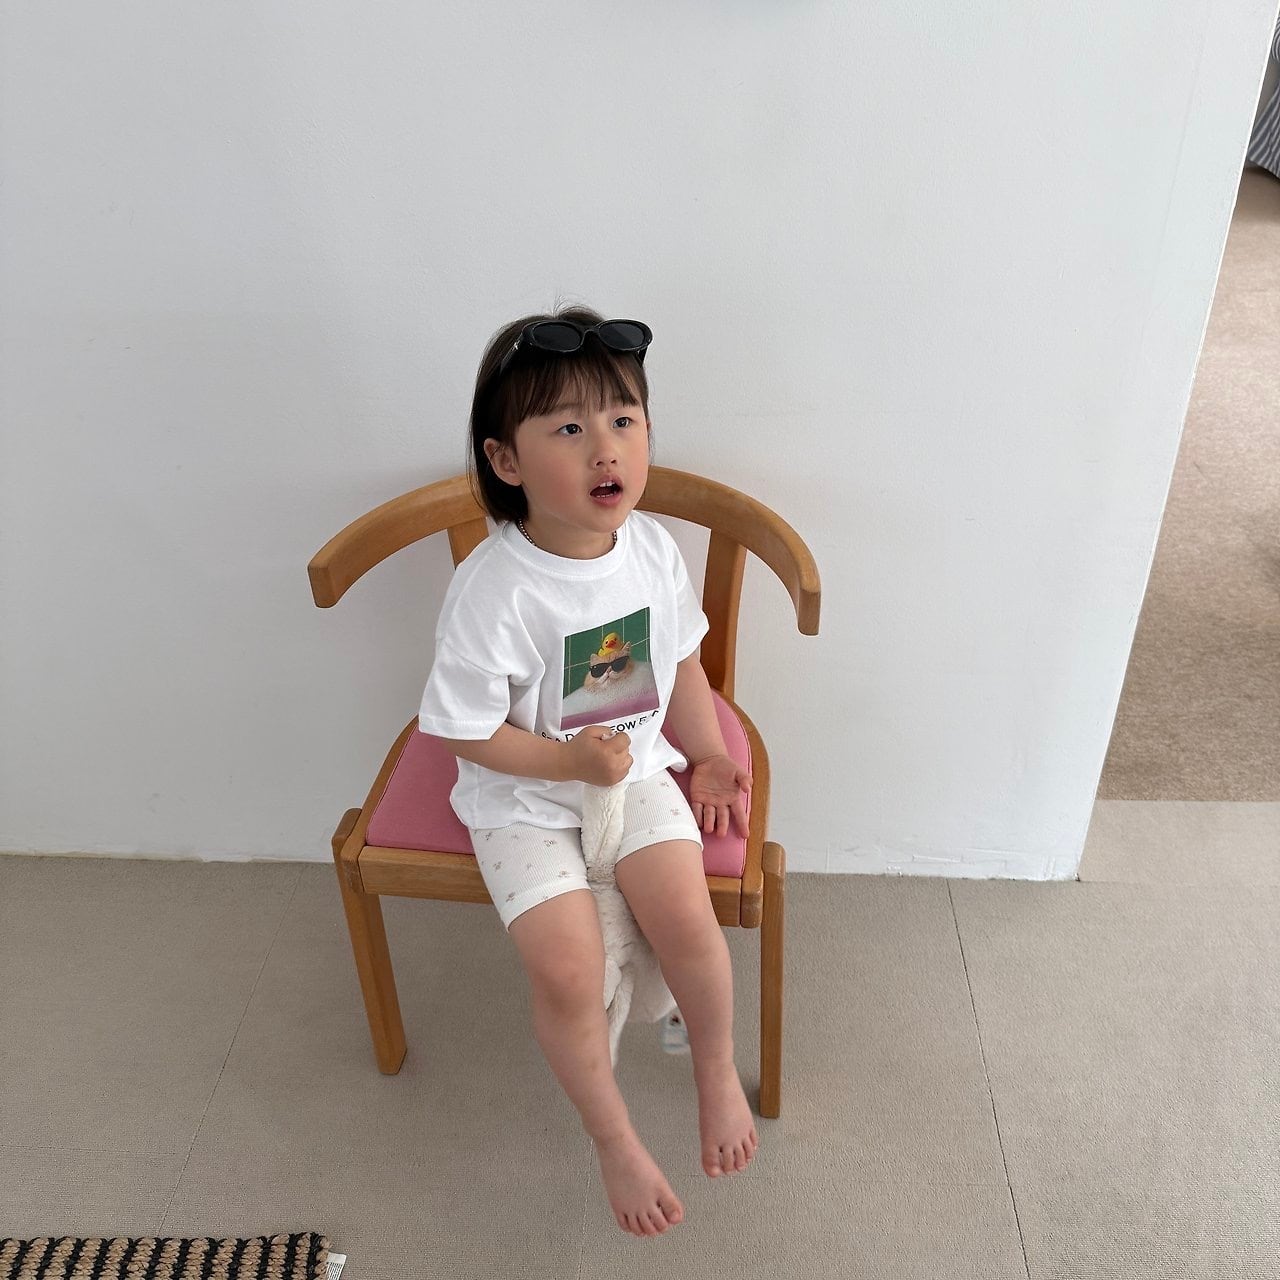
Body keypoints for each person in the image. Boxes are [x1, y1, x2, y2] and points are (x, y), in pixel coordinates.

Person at [418, 305, 758, 1237]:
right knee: (568, 972)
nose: (606, 447)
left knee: (687, 919)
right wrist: (565, 762)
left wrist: (708, 754)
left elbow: (680, 661)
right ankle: (613, 1139)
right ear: (507, 461)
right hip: (524, 796)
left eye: (623, 419)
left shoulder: (649, 549)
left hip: (635, 770)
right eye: (568, 429)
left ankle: (713, 1068)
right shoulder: (494, 590)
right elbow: (464, 731)